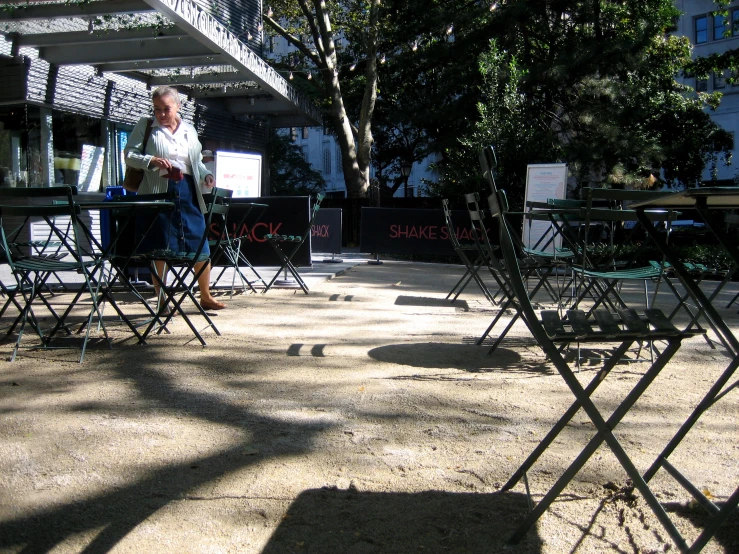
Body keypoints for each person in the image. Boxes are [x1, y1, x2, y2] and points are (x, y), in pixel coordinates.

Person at [124, 85, 226, 312]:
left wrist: (206, 174)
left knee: (199, 245)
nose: (160, 114)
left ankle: (206, 296)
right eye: (157, 109)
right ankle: (161, 300)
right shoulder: (146, 126)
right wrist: (151, 160)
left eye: (166, 109)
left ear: (178, 106)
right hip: (157, 191)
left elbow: (196, 162)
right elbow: (129, 155)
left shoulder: (189, 130)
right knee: (159, 246)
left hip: (188, 190)